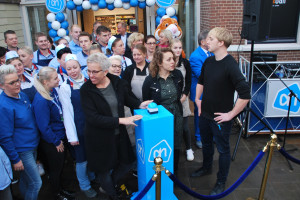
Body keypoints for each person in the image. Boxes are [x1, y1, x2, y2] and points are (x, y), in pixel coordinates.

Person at [80, 53, 151, 200]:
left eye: (95, 71)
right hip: (99, 138)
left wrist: (139, 104)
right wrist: (121, 120)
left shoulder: (117, 82)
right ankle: (113, 193)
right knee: (104, 170)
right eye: (89, 71)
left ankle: (109, 186)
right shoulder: (86, 90)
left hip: (119, 134)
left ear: (105, 71)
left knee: (127, 162)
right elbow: (93, 118)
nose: (90, 75)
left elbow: (126, 98)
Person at [191, 27, 251, 195]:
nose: (206, 41)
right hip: (205, 114)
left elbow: (245, 94)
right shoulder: (209, 61)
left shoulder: (230, 65)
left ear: (221, 43)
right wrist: (198, 100)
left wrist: (231, 114)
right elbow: (201, 81)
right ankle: (206, 167)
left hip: (220, 119)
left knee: (223, 150)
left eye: (210, 38)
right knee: (207, 144)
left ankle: (221, 181)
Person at [32, 67, 75, 200]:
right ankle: (57, 193)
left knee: (60, 167)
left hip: (60, 135)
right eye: (55, 78)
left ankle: (61, 188)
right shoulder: (41, 100)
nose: (58, 80)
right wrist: (56, 141)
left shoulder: (52, 91)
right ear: (45, 82)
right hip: (53, 140)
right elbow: (44, 127)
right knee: (55, 169)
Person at [0, 64, 42, 200]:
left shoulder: (21, 95)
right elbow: (5, 136)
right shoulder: (3, 106)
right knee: (36, 183)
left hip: (32, 145)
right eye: (12, 83)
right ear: (2, 86)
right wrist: (15, 159)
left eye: (17, 79)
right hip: (22, 150)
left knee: (26, 180)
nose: (17, 84)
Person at [58, 54, 97, 198]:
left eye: (75, 67)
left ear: (80, 67)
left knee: (92, 154)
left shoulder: (89, 81)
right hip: (78, 127)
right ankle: (84, 185)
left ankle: (92, 178)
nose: (73, 71)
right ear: (65, 70)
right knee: (82, 160)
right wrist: (72, 136)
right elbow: (67, 114)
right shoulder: (65, 87)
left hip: (93, 126)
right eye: (69, 69)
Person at [142, 48, 183, 172]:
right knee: (162, 145)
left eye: (173, 59)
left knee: (175, 146)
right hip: (160, 118)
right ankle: (160, 172)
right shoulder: (150, 80)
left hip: (177, 115)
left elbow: (179, 93)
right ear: (159, 63)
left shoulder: (178, 75)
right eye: (169, 59)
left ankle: (174, 173)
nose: (173, 62)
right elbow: (147, 101)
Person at [170, 39, 193, 161]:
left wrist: (184, 96)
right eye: (175, 48)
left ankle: (189, 148)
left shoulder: (185, 63)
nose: (178, 50)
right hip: (169, 99)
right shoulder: (167, 62)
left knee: (184, 126)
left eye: (180, 47)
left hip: (183, 98)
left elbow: (189, 81)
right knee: (172, 126)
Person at [189, 30, 212, 149]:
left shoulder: (212, 53)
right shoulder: (195, 56)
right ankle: (199, 137)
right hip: (200, 92)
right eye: (210, 39)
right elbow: (200, 74)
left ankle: (209, 136)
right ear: (203, 42)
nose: (211, 41)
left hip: (211, 91)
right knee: (200, 115)